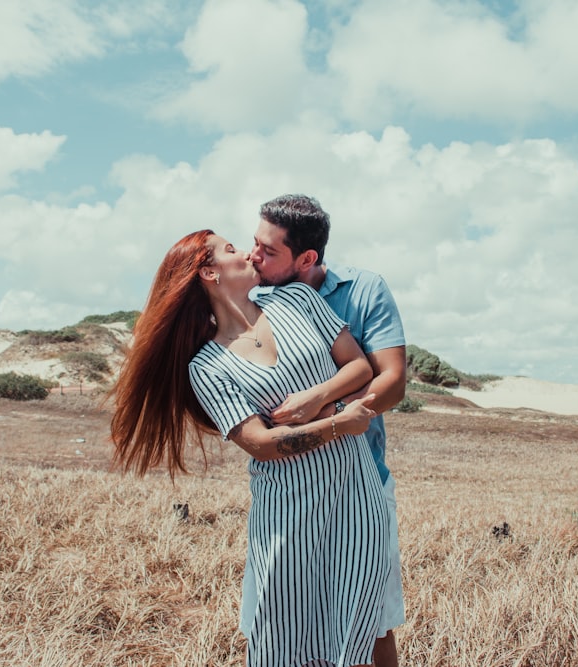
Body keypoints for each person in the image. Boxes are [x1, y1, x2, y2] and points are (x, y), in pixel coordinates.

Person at [110, 229, 390, 667]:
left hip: (356, 492)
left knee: (355, 627)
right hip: (287, 511)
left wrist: (315, 399)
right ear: (209, 273)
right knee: (283, 633)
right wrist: (338, 423)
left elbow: (358, 366)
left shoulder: (298, 300)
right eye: (230, 249)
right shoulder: (206, 367)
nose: (246, 253)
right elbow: (259, 443)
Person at [250, 194, 407, 667]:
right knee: (281, 619)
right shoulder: (253, 299)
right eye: (253, 244)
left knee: (371, 621)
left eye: (267, 251)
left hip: (363, 481)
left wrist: (323, 405)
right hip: (288, 490)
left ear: (307, 258)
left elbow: (393, 380)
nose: (253, 256)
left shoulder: (363, 290)